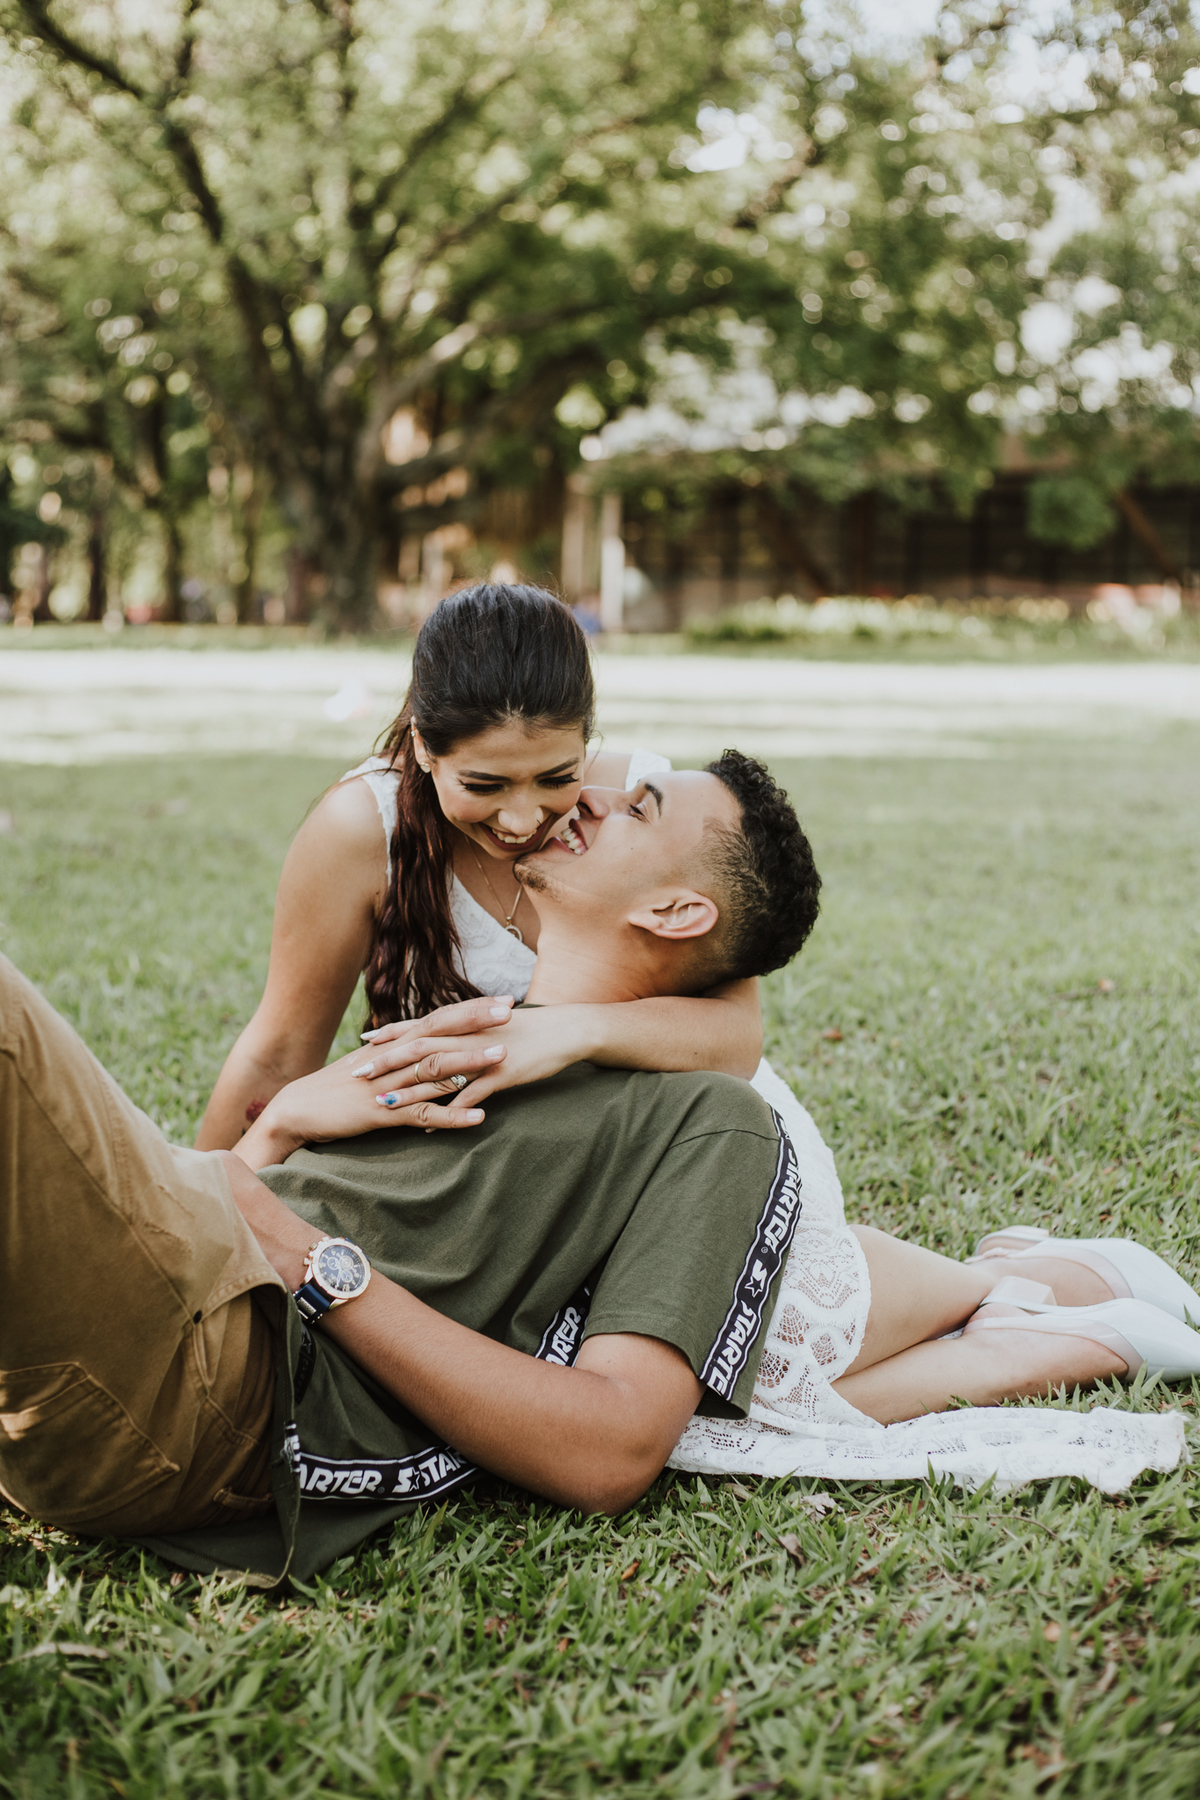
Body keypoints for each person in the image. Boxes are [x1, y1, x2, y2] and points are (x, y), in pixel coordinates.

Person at [4, 757, 1197, 1589]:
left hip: (219, 1374)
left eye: (636, 803)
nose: (584, 798)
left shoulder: (711, 1120)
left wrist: (317, 1262)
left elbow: (616, 1446)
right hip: (182, 1286)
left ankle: (1063, 1302)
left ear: (677, 905)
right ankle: (1040, 1291)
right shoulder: (464, 1026)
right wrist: (268, 1143)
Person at [195, 584, 763, 1152]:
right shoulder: (362, 828)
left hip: (651, 1138)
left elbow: (737, 1035)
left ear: (586, 741)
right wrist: (206, 1206)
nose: (521, 822)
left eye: (557, 778)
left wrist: (557, 1034)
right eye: (482, 785)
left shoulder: (637, 808)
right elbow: (278, 1052)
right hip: (489, 1156)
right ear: (422, 747)